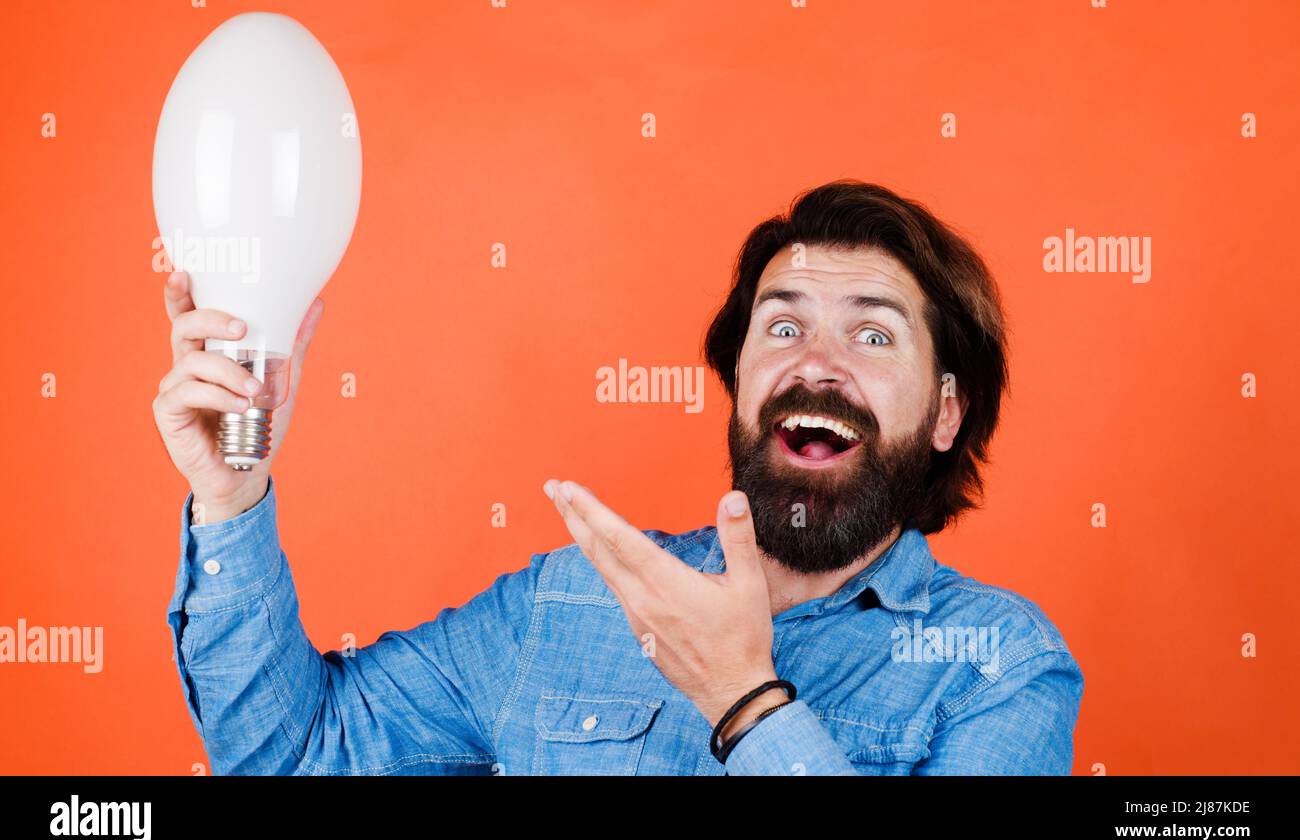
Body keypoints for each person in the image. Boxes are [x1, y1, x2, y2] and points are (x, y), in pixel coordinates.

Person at [153, 180, 1083, 775]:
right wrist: (231, 494)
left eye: (873, 334)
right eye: (783, 326)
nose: (817, 363)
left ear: (947, 412)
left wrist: (745, 703)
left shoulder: (998, 666)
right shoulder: (571, 603)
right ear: (740, 378)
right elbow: (299, 753)